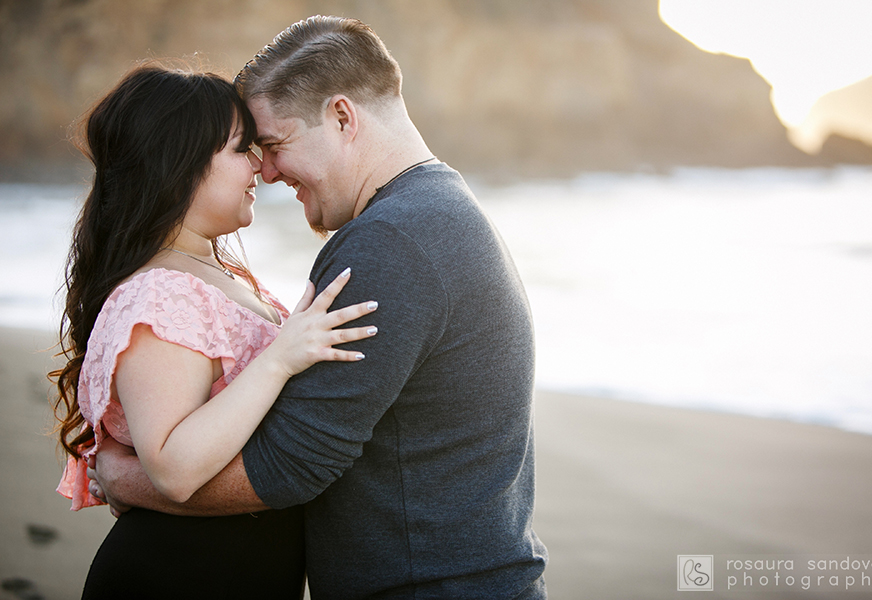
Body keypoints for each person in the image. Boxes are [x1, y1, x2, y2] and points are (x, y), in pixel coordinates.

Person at [89, 16, 549, 598]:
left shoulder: (392, 242)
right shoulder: (437, 210)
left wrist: (125, 479)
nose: (269, 170)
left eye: (275, 145)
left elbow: (290, 466)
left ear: (341, 117)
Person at [51, 62, 378, 599]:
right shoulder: (160, 294)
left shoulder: (209, 275)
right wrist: (280, 358)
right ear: (177, 164)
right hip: (178, 576)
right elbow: (174, 470)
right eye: (239, 148)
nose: (261, 165)